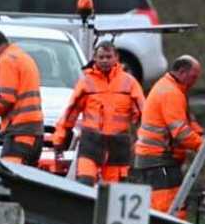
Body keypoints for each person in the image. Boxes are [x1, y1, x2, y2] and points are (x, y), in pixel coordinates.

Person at [131, 55, 205, 216]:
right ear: (182, 72)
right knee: (167, 210)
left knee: (173, 206)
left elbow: (187, 121)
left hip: (157, 160)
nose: (195, 81)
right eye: (193, 77)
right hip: (158, 160)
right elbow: (181, 132)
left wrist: (201, 136)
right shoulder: (171, 93)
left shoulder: (171, 89)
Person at [53, 40, 145, 186]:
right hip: (91, 142)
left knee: (112, 193)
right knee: (84, 183)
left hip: (118, 145)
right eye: (101, 57)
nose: (105, 61)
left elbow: (142, 115)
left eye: (108, 57)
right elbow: (71, 113)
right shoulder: (86, 82)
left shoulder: (130, 83)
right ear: (94, 58)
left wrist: (141, 142)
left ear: (116, 58)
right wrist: (59, 139)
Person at [0, 29, 44, 166]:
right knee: (26, 183)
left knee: (9, 179)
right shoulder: (22, 57)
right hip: (34, 132)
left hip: (20, 131)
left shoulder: (6, 60)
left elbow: (6, 99)